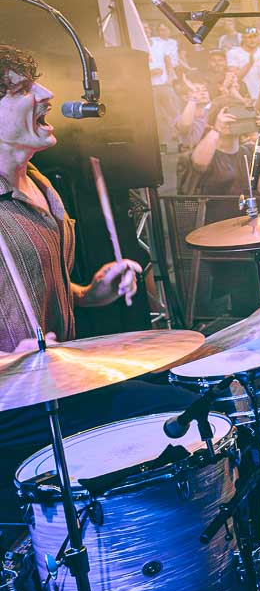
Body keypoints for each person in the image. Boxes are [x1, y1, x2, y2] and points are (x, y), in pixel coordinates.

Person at [0, 45, 193, 526]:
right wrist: (9, 362)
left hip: (57, 386)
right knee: (181, 413)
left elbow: (37, 289)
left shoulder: (40, 184)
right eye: (21, 90)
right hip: (14, 411)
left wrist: (90, 292)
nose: (46, 93)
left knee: (191, 395)